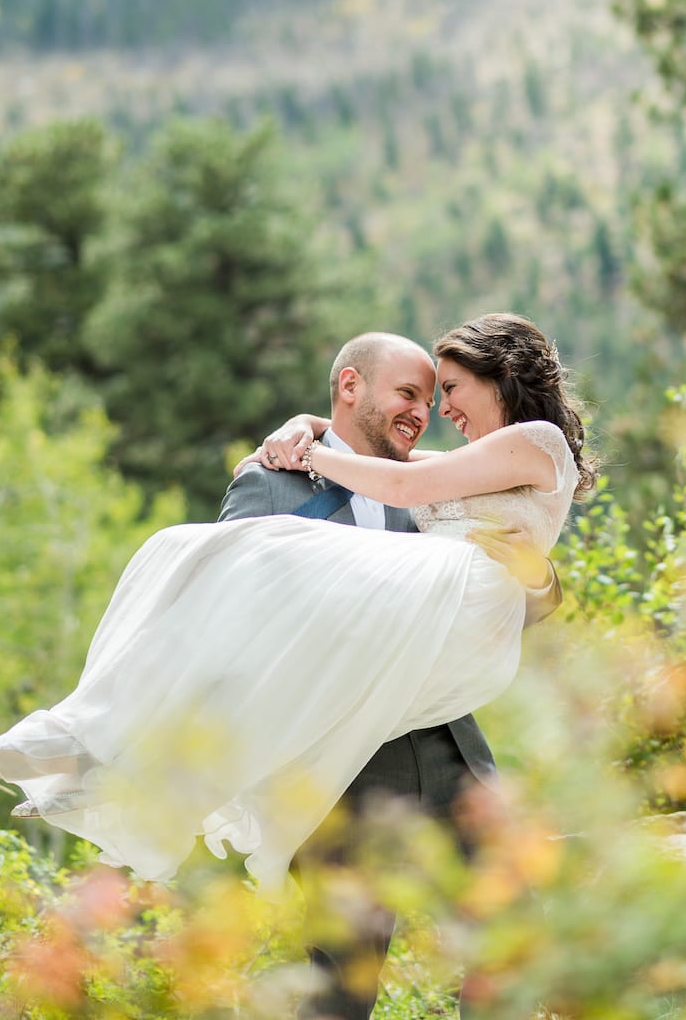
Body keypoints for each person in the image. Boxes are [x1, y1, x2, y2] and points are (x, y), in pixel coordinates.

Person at [0, 314, 594, 909]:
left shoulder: (529, 442)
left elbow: (402, 487)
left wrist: (310, 448)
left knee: (243, 551)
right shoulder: (392, 471)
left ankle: (100, 750)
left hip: (449, 647)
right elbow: (233, 615)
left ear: (499, 373)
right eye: (422, 393)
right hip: (380, 683)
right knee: (228, 564)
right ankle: (105, 753)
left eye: (448, 390)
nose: (439, 412)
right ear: (353, 386)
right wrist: (309, 427)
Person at [218, 327, 565, 1020]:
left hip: (447, 747)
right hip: (339, 765)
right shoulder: (272, 479)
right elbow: (230, 601)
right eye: (409, 393)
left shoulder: (430, 486)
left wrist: (537, 579)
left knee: (510, 939)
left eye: (436, 396)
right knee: (341, 982)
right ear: (351, 387)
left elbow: (504, 602)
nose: (426, 412)